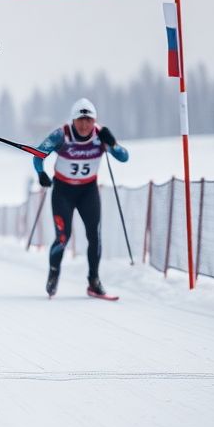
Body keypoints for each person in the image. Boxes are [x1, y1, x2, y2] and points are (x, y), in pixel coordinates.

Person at [33, 97, 129, 299]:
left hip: (88, 191)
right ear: (73, 120)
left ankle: (94, 281)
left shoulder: (100, 135)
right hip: (63, 191)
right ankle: (54, 271)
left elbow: (123, 157)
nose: (85, 125)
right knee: (63, 236)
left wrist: (113, 143)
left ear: (94, 120)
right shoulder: (62, 134)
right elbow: (38, 154)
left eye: (89, 120)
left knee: (94, 236)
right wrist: (41, 173)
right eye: (80, 120)